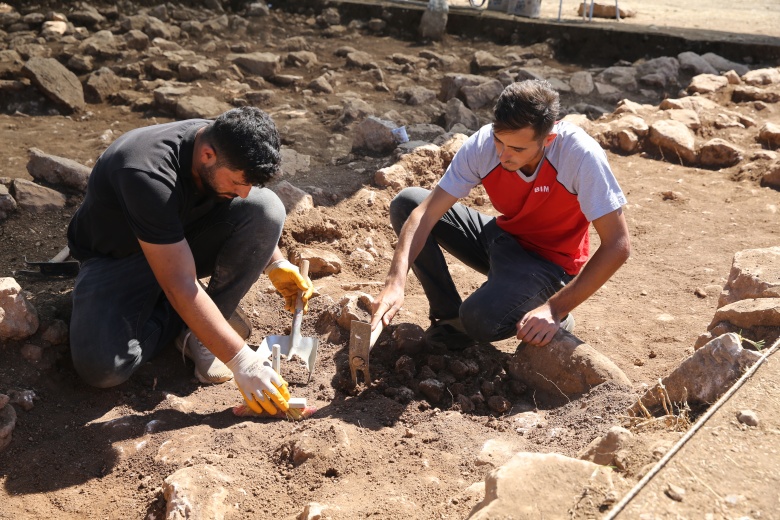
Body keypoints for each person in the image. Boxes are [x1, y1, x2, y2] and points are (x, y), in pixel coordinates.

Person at [67, 107, 312, 416]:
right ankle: (197, 320)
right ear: (207, 155)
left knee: (267, 209)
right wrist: (242, 362)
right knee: (103, 368)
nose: (243, 192)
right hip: (118, 257)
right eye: (238, 182)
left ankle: (200, 333)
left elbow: (247, 202)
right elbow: (180, 283)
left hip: (178, 237)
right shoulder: (146, 172)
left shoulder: (222, 142)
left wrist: (274, 261)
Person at [370, 80, 630, 351]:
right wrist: (394, 282)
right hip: (504, 239)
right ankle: (449, 321)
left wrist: (554, 309)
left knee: (479, 319)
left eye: (518, 149)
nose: (504, 156)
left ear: (548, 139)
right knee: (408, 203)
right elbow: (424, 215)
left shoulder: (580, 156)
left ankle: (549, 315)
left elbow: (618, 245)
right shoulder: (483, 145)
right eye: (499, 141)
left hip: (550, 264)